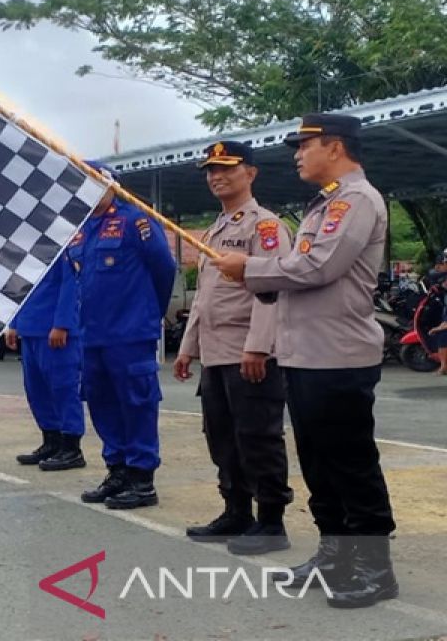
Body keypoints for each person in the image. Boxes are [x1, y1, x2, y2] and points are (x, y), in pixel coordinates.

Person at [211, 113, 397, 610]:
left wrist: (249, 267)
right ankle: (334, 553)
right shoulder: (325, 203)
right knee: (318, 464)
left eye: (304, 144)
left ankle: (373, 568)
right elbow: (298, 274)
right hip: (307, 354)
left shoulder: (355, 200)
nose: (296, 153)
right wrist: (261, 278)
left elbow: (318, 266)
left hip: (338, 355)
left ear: (334, 148)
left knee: (350, 464)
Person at [173, 140, 295, 555]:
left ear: (251, 173)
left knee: (257, 436)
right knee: (221, 437)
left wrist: (259, 347)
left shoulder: (265, 227)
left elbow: (274, 289)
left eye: (226, 167)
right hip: (216, 352)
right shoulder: (217, 229)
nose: (216, 175)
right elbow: (206, 297)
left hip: (249, 352)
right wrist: (188, 347)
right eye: (210, 169)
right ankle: (236, 510)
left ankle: (271, 521)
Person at [67, 161, 176, 510]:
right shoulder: (82, 230)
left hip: (130, 334)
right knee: (100, 402)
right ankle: (117, 470)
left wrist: (147, 315)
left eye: (96, 181)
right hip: (92, 336)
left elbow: (165, 269)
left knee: (137, 404)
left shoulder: (136, 220)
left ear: (112, 184)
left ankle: (142, 478)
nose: (89, 188)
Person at [5, 256, 85, 471]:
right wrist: (14, 322)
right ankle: (51, 440)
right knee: (36, 389)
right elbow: (19, 286)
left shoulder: (64, 247)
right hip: (30, 328)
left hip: (55, 330)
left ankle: (71, 446)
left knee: (63, 388)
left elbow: (71, 285)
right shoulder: (29, 250)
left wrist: (62, 323)